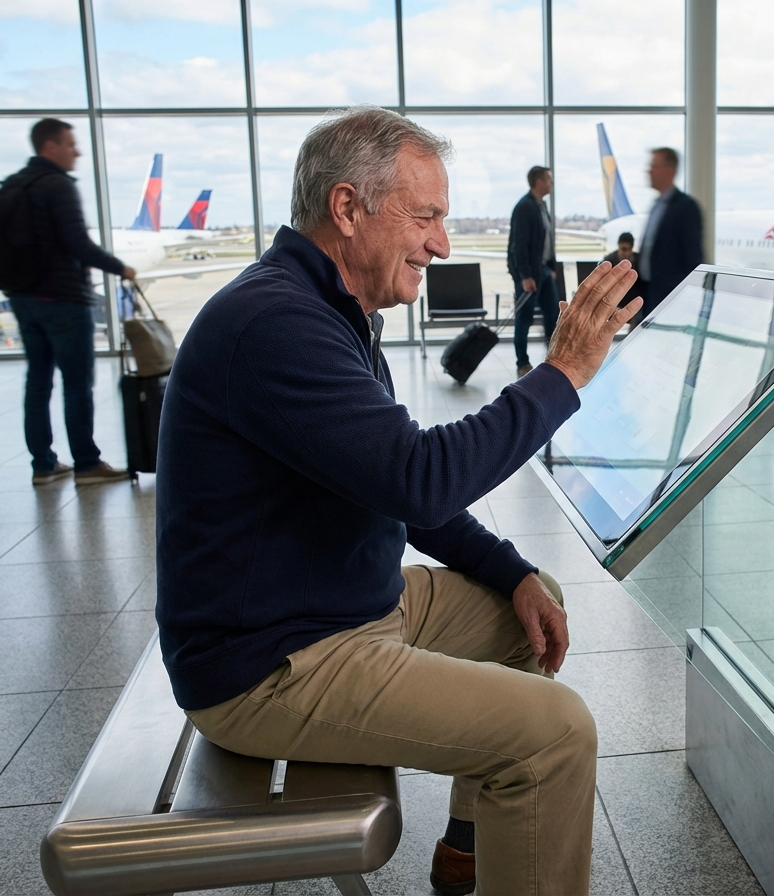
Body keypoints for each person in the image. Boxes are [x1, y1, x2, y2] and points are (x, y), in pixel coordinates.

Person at [155, 107, 642, 896]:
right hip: (272, 661)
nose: (442, 243)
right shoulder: (276, 324)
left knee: (531, 606)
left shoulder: (330, 311)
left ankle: (467, 849)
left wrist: (510, 570)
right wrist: (564, 375)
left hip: (341, 604)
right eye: (426, 217)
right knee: (555, 735)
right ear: (347, 209)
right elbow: (422, 477)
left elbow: (398, 493)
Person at [5, 119, 136, 485]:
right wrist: (120, 268)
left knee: (38, 382)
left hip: (24, 300)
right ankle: (86, 464)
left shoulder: (17, 186)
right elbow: (79, 244)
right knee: (77, 383)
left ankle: (43, 464)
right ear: (50, 147)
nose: (77, 151)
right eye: (70, 144)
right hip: (62, 301)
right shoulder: (57, 186)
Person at [635, 147, 703, 323]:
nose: (648, 171)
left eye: (654, 166)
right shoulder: (657, 206)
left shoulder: (686, 207)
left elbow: (692, 258)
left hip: (671, 299)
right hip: (650, 295)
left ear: (669, 170)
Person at [507, 165, 559, 378]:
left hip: (545, 271)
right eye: (549, 179)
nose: (551, 183)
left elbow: (546, 240)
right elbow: (519, 245)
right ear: (539, 181)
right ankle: (522, 362)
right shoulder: (525, 207)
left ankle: (553, 360)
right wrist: (525, 275)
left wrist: (552, 268)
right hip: (529, 274)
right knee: (524, 318)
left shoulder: (541, 206)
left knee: (553, 316)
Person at [603, 232, 644, 303]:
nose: (625, 253)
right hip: (614, 301)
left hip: (635, 300)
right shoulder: (609, 261)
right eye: (623, 249)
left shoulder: (640, 261)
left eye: (627, 249)